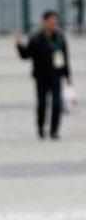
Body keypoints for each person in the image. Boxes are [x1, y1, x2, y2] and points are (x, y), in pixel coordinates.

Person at [15, 10, 72, 140]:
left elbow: (64, 58)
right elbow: (26, 55)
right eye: (51, 22)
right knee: (42, 103)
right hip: (41, 76)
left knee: (57, 103)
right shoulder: (36, 38)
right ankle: (41, 127)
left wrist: (68, 76)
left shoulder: (60, 37)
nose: (54, 24)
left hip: (56, 75)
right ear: (44, 22)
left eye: (55, 22)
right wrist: (19, 45)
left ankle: (54, 130)